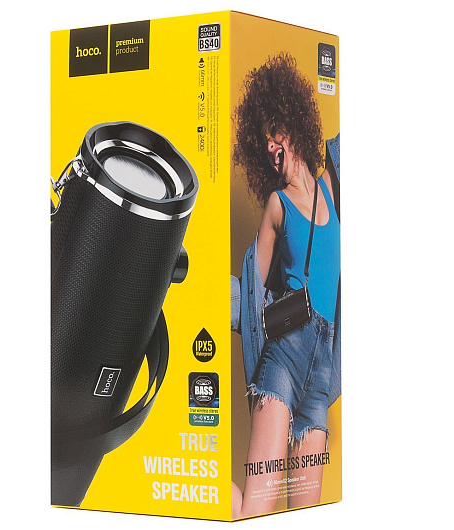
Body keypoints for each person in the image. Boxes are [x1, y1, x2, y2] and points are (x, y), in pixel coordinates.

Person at [231, 53, 340, 518]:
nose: (272, 147)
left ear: (293, 123)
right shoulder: (276, 204)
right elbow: (252, 287)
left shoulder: (331, 187)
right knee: (256, 508)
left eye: (275, 133)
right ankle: (200, 486)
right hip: (285, 357)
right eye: (264, 143)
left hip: (321, 375)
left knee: (305, 518)